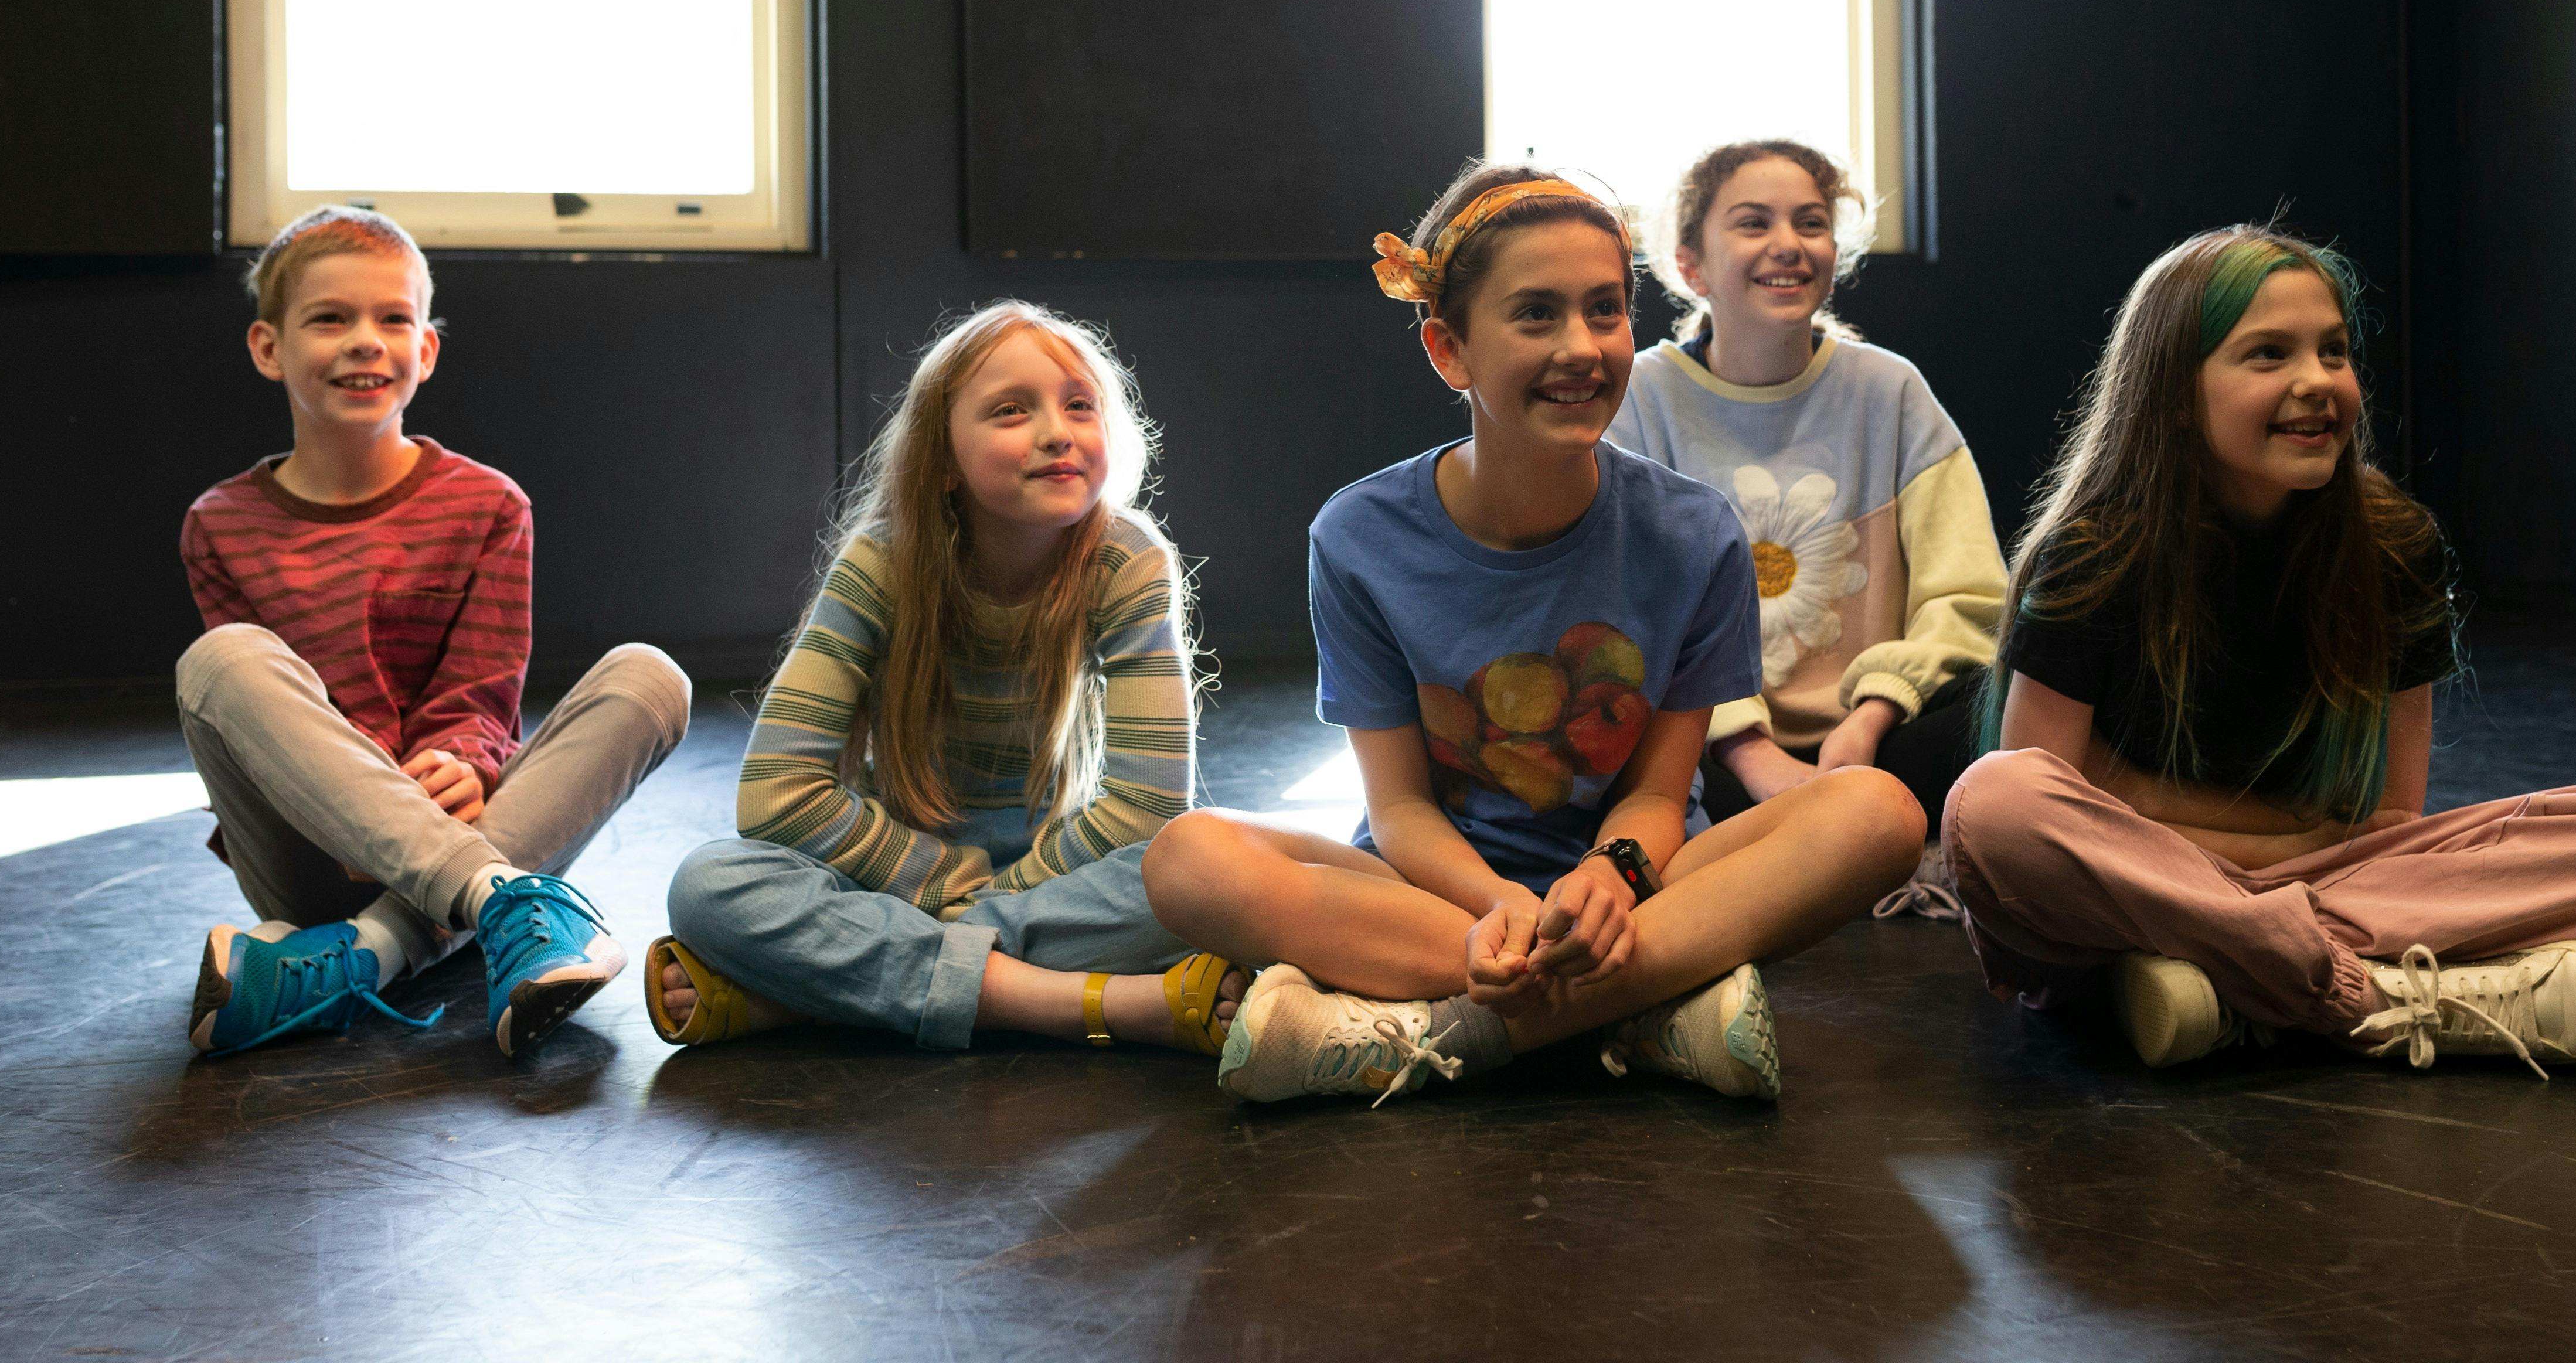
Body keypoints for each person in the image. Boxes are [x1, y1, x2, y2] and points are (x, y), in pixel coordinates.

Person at [1141, 164, 1925, 1106]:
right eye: (1536, 316)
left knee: (1879, 812)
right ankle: (1648, 1008)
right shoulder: (1358, 538)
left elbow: (1659, 794)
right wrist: (1504, 908)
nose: (1583, 348)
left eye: (1605, 310)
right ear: (1449, 350)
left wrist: (1612, 871)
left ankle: (1431, 1032)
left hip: (1643, 886)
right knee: (1186, 859)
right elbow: (1399, 813)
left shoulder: (1696, 533)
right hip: (1435, 899)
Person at [1944, 224, 2576, 1074]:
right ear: (2176, 394)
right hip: (2165, 887)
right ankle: (2369, 999)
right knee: (1994, 804)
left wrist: (2198, 835)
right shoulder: (2097, 555)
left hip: (2319, 878)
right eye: (2268, 355)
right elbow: (2050, 801)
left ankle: (2220, 978)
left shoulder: (2392, 546)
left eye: (2333, 351)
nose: (2316, 383)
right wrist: (2283, 846)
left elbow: (2390, 821)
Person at [649, 301, 1244, 1057]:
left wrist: (983, 904)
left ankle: (808, 999)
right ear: (941, 461)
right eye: (1010, 411)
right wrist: (944, 886)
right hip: (894, 861)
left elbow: (1147, 812)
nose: (1057, 431)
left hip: (1065, 870)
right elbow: (776, 796)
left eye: (1079, 405)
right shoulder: (884, 561)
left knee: (1211, 879)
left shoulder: (1127, 560)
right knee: (712, 886)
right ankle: (1089, 1004)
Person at [178, 207, 691, 1058]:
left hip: (465, 816)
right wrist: (394, 797)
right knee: (221, 662)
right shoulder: (218, 525)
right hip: (315, 859)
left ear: (427, 351)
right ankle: (502, 905)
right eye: (331, 318)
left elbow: (482, 695)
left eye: (393, 319)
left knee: (651, 678)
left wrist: (461, 761)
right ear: (269, 347)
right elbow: (270, 724)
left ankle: (363, 961)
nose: (365, 341)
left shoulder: (490, 505)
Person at [1608, 139, 2005, 916]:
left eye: (1811, 223)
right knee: (1629, 747)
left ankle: (1807, 846)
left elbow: (1969, 598)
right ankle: (1834, 847)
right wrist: (1750, 751)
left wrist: (1868, 722)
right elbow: (1633, 612)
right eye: (1753, 223)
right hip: (1709, 748)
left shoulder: (1890, 390)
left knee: (2003, 705)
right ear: (1690, 265)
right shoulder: (1645, 399)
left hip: (1877, 742)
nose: (1788, 244)